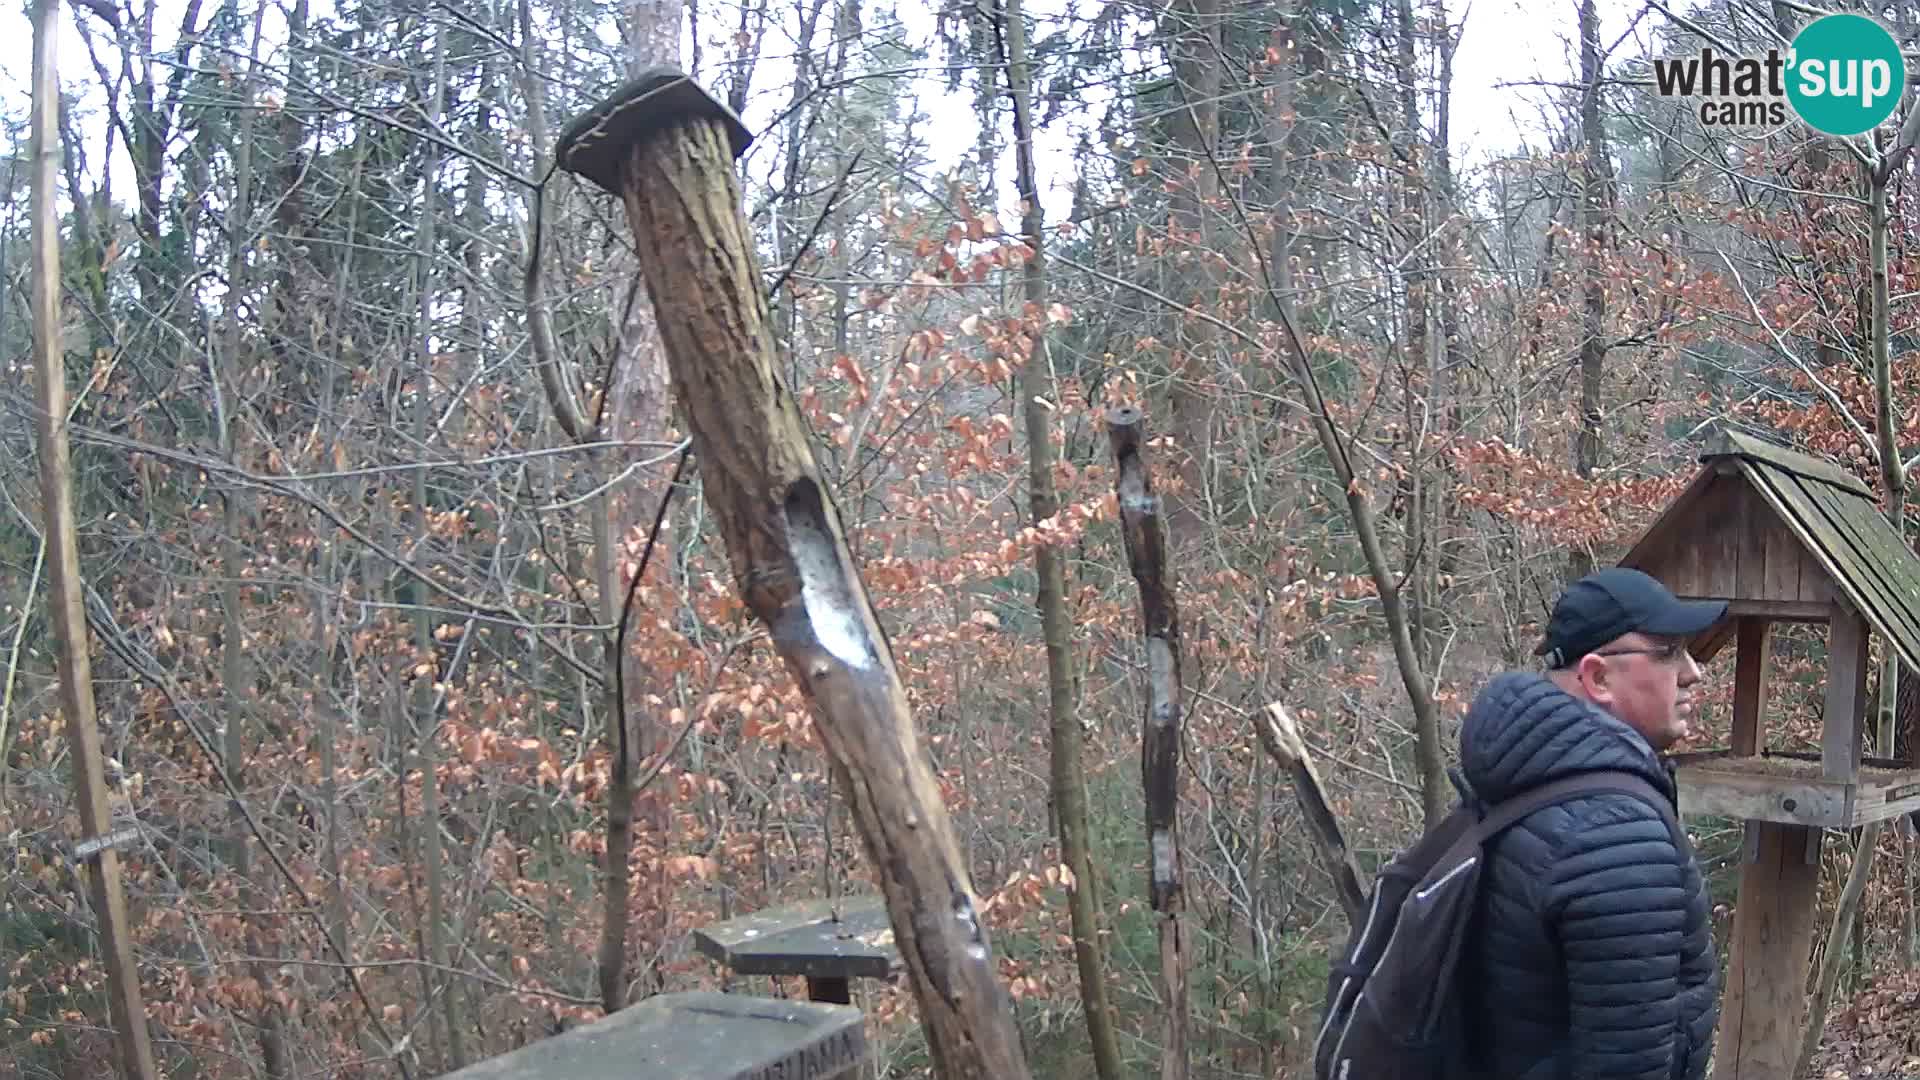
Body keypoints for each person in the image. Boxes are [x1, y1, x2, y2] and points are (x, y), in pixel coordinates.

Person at [1456, 567, 1723, 1080]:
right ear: (1598, 677)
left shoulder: (1528, 774)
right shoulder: (1614, 833)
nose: (1694, 672)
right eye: (1668, 652)